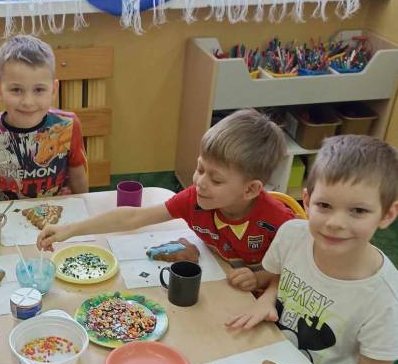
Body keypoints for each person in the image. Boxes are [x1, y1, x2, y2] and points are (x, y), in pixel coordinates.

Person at [226, 135, 398, 364]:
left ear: (387, 214)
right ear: (306, 200)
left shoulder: (385, 301)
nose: (335, 223)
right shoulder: (293, 235)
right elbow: (280, 275)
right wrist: (267, 296)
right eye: (324, 205)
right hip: (265, 354)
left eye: (358, 211)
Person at [37, 108, 293, 289]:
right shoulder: (194, 199)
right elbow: (132, 217)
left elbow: (299, 273)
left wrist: (259, 279)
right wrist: (69, 230)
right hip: (222, 284)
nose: (200, 182)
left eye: (216, 180)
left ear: (250, 190)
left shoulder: (281, 222)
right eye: (200, 168)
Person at [0, 34, 89, 202]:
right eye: (16, 90)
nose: (28, 102)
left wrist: (84, 211)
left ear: (54, 90)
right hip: (6, 213)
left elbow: (78, 177)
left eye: (39, 90)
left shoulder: (69, 126)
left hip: (58, 211)